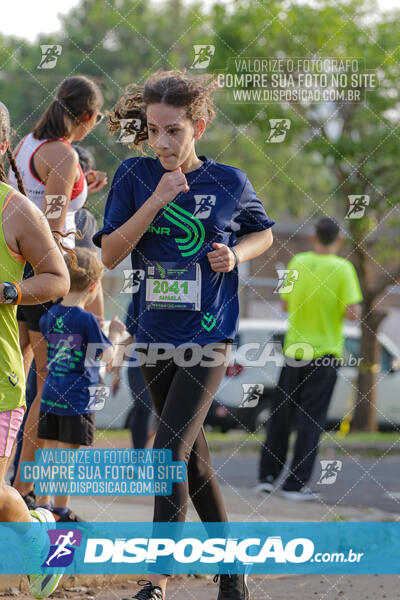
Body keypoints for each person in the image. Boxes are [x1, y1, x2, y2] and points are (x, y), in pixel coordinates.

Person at [93, 70, 274, 600]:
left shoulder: (229, 182)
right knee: (190, 458)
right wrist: (157, 197)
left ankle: (156, 581)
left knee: (166, 451)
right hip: (153, 333)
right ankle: (231, 569)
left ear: (200, 124)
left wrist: (234, 254)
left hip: (208, 335)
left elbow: (261, 232)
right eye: (154, 130)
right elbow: (108, 254)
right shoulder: (133, 175)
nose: (163, 142)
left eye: (173, 130)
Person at [9, 76, 104, 505]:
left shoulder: (29, 143)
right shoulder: (64, 155)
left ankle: (14, 486)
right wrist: (71, 261)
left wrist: (82, 186)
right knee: (46, 389)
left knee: (18, 385)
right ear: (86, 118)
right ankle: (23, 491)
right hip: (46, 274)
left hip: (18, 267)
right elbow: (52, 219)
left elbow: (38, 195)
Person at [0, 100, 70, 597]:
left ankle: (41, 532)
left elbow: (58, 277)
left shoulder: (15, 209)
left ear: (2, 145)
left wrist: (11, 292)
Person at [257, 217, 362, 500]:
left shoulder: (298, 263)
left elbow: (285, 303)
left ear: (314, 238)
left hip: (294, 352)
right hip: (325, 355)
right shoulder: (344, 269)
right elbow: (353, 313)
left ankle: (267, 477)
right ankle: (295, 485)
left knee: (281, 416)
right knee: (310, 420)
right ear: (338, 240)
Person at [35, 248, 125, 522]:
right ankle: (61, 512)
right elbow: (107, 358)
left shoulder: (50, 315)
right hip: (76, 400)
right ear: (94, 286)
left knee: (48, 455)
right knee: (66, 461)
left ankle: (41, 509)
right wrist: (114, 334)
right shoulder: (87, 320)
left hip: (51, 394)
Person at [112, 300, 157, 449]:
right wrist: (116, 373)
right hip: (138, 364)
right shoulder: (137, 303)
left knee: (164, 412)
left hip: (168, 360)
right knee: (144, 407)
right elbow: (127, 337)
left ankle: (147, 450)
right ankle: (138, 458)